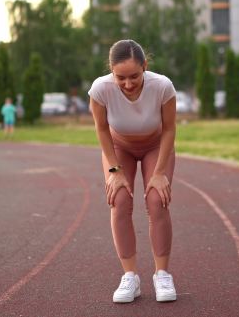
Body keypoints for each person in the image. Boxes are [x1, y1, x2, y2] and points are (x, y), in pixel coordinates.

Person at [88, 39, 177, 304]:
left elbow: (170, 128)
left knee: (156, 200)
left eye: (134, 76)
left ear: (145, 67)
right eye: (121, 77)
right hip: (119, 147)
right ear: (111, 72)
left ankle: (162, 274)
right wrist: (115, 171)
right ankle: (130, 277)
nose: (128, 84)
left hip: (155, 145)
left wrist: (160, 172)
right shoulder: (100, 89)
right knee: (120, 199)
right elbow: (102, 130)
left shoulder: (162, 86)